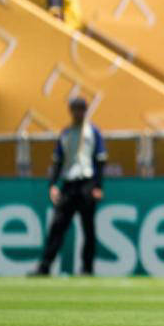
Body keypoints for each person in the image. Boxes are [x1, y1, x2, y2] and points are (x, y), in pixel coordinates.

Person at [32, 97, 106, 276]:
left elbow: (100, 160)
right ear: (71, 111)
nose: (78, 113)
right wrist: (52, 185)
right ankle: (45, 267)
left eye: (81, 109)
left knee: (88, 228)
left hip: (87, 182)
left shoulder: (93, 132)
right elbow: (58, 162)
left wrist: (98, 185)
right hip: (69, 184)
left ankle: (87, 268)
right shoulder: (65, 133)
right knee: (57, 226)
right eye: (75, 109)